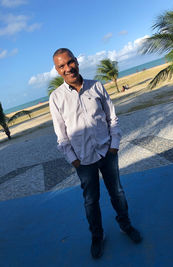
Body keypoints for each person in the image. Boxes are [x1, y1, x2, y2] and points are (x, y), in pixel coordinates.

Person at [49, 48, 142, 259]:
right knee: (91, 201)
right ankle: (97, 236)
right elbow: (61, 134)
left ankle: (125, 225)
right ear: (57, 70)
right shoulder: (56, 98)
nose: (67, 68)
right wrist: (74, 160)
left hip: (107, 152)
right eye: (62, 66)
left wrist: (114, 144)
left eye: (70, 62)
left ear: (77, 62)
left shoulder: (97, 86)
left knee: (117, 192)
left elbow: (112, 117)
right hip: (83, 160)